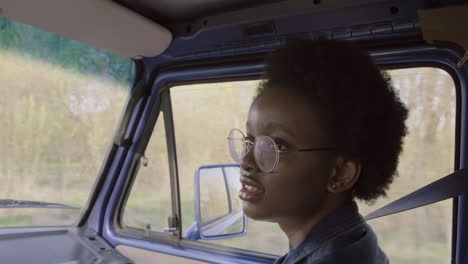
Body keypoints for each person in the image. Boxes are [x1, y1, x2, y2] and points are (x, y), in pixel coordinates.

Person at [227, 39, 408, 263]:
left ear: (339, 173)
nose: (246, 161)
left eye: (278, 145)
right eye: (250, 140)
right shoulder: (354, 240)